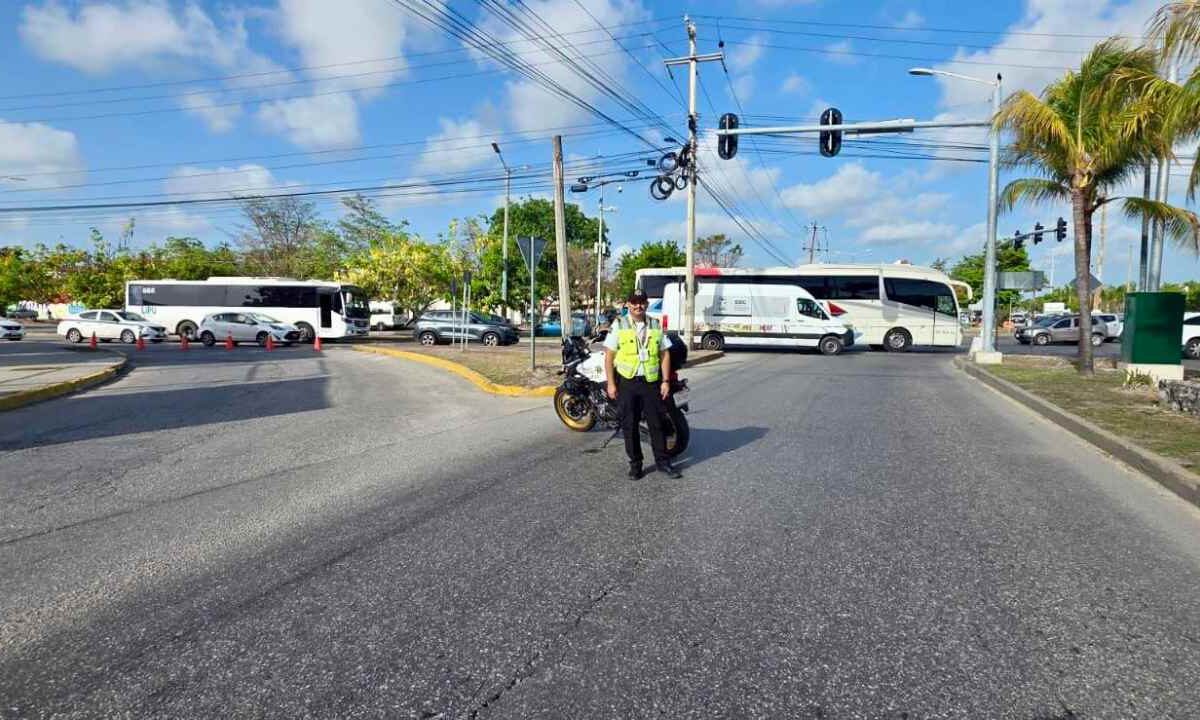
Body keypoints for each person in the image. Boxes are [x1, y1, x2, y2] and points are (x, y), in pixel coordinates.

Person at [603, 289, 682, 480]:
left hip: (651, 382)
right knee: (629, 425)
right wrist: (611, 384)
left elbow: (664, 354)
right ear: (628, 305)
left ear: (646, 304)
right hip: (628, 383)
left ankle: (663, 462)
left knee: (657, 424)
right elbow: (609, 356)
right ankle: (636, 465)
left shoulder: (655, 324)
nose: (638, 305)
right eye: (634, 302)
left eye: (642, 302)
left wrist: (665, 381)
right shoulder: (619, 324)